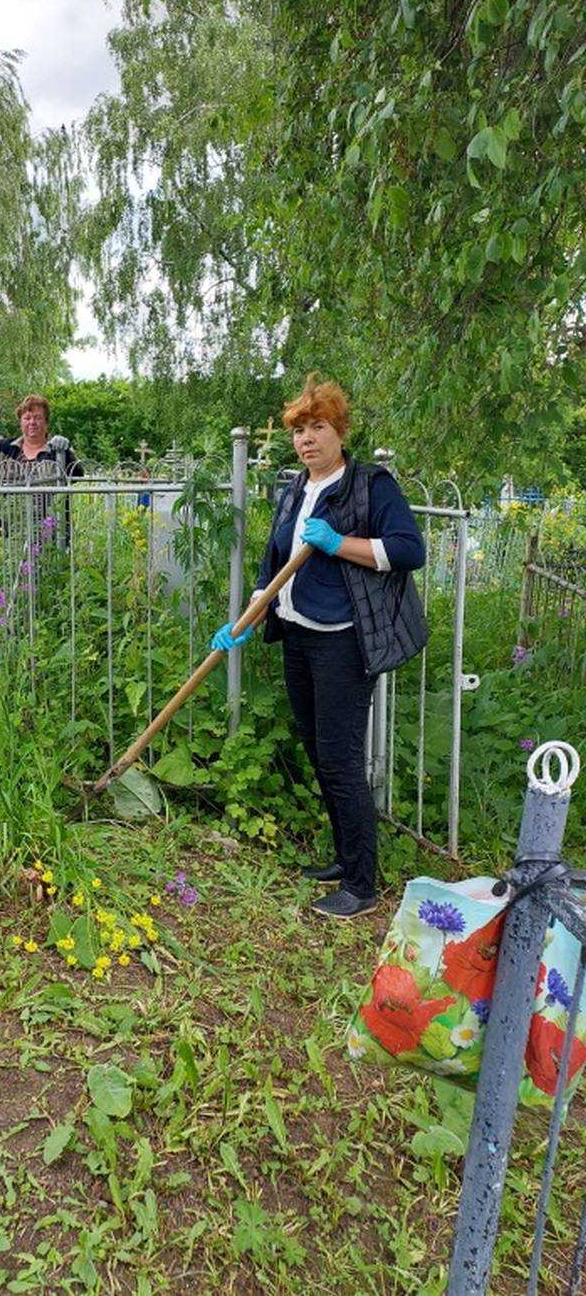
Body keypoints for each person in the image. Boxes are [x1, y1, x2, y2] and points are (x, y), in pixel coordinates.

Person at [211, 373, 427, 919]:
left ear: (340, 431)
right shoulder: (295, 490)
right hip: (299, 636)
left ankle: (360, 884)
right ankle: (345, 856)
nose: (307, 439)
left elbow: (408, 549)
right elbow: (274, 562)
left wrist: (339, 544)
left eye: (319, 427)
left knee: (339, 759)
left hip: (345, 642)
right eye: (300, 430)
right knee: (316, 749)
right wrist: (247, 618)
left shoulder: (371, 484)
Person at [0, 394, 84, 482]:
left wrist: (66, 452)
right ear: (20, 423)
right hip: (7, 515)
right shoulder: (6, 448)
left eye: (38, 417)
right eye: (27, 418)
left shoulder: (56, 451)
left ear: (46, 423)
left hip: (49, 516)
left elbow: (77, 475)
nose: (32, 422)